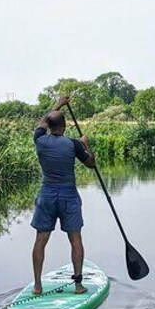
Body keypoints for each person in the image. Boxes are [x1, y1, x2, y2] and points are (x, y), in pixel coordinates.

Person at [31, 96, 97, 295]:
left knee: (41, 239)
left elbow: (43, 121)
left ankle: (37, 286)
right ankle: (78, 285)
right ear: (65, 126)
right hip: (68, 195)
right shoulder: (73, 144)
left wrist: (58, 104)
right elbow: (92, 163)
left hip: (47, 194)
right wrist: (86, 144)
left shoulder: (39, 140)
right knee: (75, 238)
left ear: (49, 126)